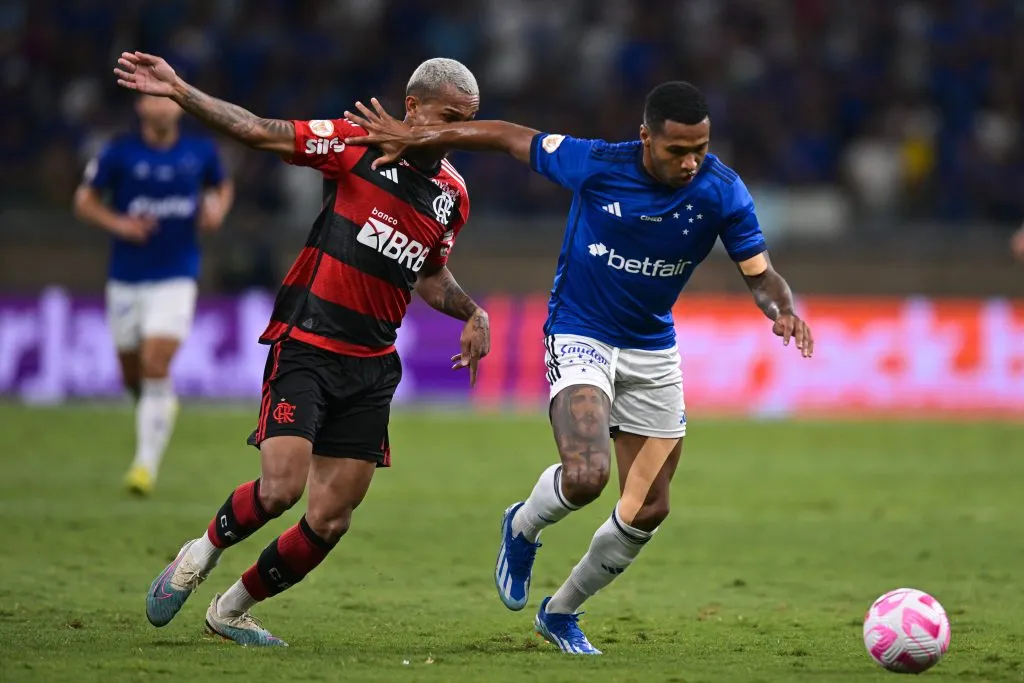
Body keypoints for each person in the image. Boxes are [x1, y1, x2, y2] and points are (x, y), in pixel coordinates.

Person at [344, 81, 814, 655]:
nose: (690, 162)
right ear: (645, 138)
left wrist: (783, 309)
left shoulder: (722, 191)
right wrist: (427, 134)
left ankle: (562, 611)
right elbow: (508, 137)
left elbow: (760, 275)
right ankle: (522, 526)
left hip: (652, 348)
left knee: (651, 505)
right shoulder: (596, 163)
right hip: (580, 332)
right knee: (588, 475)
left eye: (700, 148)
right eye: (677, 151)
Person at [113, 51, 490, 646]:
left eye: (466, 121)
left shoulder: (452, 194)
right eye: (448, 116)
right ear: (412, 107)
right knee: (280, 489)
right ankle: (199, 554)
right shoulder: (355, 144)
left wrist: (472, 311)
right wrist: (182, 91)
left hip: (372, 366)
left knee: (331, 517)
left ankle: (231, 610)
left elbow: (429, 272)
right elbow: (262, 131)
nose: (456, 133)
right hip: (308, 343)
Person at [73, 93, 234, 496]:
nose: (160, 107)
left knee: (155, 362)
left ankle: (144, 466)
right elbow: (84, 201)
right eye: (152, 100)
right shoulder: (120, 152)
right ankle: (161, 402)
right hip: (126, 277)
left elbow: (222, 186)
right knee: (133, 375)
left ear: (178, 106)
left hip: (177, 275)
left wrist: (217, 210)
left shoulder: (200, 151)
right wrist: (121, 224)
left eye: (167, 100)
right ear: (140, 107)